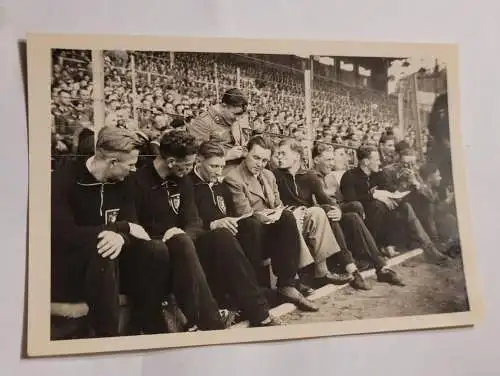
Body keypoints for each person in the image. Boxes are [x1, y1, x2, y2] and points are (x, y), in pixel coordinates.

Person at [51, 126, 170, 337]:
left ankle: (143, 325)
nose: (134, 170)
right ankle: (107, 336)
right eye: (131, 165)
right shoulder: (64, 180)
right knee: (103, 247)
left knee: (156, 249)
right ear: (113, 162)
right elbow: (65, 236)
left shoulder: (125, 182)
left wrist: (120, 236)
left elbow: (135, 227)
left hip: (112, 265)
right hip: (72, 268)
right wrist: (118, 229)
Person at [133, 130, 235, 331]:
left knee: (214, 236)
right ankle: (211, 321)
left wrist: (182, 235)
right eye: (187, 165)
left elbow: (194, 221)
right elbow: (134, 226)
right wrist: (168, 237)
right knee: (176, 244)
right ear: (171, 161)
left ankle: (217, 312)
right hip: (152, 250)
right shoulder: (138, 181)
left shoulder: (183, 180)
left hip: (181, 245)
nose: (190, 169)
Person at [224, 135, 319, 312]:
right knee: (253, 224)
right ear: (245, 153)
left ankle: (287, 284)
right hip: (248, 233)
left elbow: (277, 204)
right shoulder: (234, 178)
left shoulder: (268, 175)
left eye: (265, 160)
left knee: (287, 216)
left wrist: (278, 213)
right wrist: (270, 215)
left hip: (268, 229)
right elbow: (244, 213)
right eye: (256, 158)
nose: (260, 163)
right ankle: (257, 290)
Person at [340, 146, 449, 264]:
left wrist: (400, 192)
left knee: (405, 206)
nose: (379, 162)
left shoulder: (378, 175)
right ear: (366, 162)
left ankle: (430, 248)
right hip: (364, 218)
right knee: (378, 205)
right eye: (376, 160)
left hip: (383, 217)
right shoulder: (350, 176)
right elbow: (351, 200)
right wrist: (376, 195)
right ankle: (374, 251)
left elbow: (393, 192)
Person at [187, 88, 251, 171]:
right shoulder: (203, 122)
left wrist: (244, 151)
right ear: (224, 106)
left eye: (240, 115)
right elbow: (197, 156)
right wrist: (226, 155)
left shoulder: (233, 119)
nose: (238, 119)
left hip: (238, 165)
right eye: (235, 114)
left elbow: (239, 142)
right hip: (218, 169)